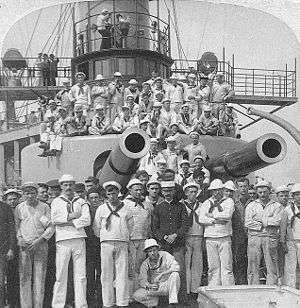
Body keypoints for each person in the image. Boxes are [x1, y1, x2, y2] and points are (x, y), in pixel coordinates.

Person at [51, 174, 91, 308]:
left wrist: (67, 221)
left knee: (81, 275)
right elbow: (55, 220)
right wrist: (72, 216)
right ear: (61, 186)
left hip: (79, 238)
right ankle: (58, 305)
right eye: (65, 185)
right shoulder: (56, 201)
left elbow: (87, 220)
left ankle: (81, 304)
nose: (68, 187)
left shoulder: (81, 201)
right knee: (61, 274)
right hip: (62, 240)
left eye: (70, 184)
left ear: (74, 185)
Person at [93, 181, 134, 308]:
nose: (112, 196)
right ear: (106, 195)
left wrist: (124, 236)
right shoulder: (101, 208)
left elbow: (131, 226)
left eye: (114, 193)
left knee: (122, 272)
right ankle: (108, 302)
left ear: (118, 193)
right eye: (109, 193)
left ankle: (122, 301)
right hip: (106, 243)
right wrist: (105, 237)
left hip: (122, 242)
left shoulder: (126, 208)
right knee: (106, 273)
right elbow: (96, 227)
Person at [15, 182, 54, 308]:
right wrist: (19, 238)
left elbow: (50, 227)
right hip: (25, 247)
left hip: (40, 245)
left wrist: (40, 240)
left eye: (32, 192)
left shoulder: (44, 207)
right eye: (27, 193)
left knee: (39, 278)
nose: (30, 195)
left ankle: (38, 305)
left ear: (36, 193)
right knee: (24, 278)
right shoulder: (19, 208)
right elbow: (16, 226)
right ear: (23, 194)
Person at [152, 181, 189, 298]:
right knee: (163, 270)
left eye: (170, 191)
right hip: (164, 245)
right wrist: (164, 237)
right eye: (165, 191)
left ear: (174, 191)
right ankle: (163, 297)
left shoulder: (181, 206)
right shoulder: (158, 208)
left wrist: (175, 235)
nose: (167, 193)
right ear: (162, 192)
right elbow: (154, 227)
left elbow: (185, 224)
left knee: (180, 270)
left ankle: (181, 297)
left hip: (178, 244)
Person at [245, 180, 283, 285]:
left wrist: (260, 220)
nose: (262, 194)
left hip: (270, 237)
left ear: (269, 192)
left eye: (265, 192)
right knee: (253, 265)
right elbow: (248, 222)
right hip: (254, 237)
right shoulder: (251, 205)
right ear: (257, 192)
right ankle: (253, 288)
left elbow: (277, 221)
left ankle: (272, 289)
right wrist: (265, 223)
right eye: (260, 192)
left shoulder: (277, 206)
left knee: (271, 265)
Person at [199, 179, 235, 286]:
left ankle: (228, 289)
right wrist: (214, 221)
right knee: (213, 266)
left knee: (227, 266)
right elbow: (201, 219)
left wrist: (212, 215)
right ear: (211, 191)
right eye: (214, 190)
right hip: (210, 237)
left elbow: (227, 216)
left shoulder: (229, 201)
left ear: (222, 190)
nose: (217, 192)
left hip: (224, 237)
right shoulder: (206, 203)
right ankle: (214, 288)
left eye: (219, 190)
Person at [124, 179, 153, 299]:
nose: (139, 191)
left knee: (140, 266)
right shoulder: (124, 204)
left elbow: (149, 223)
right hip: (130, 239)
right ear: (130, 190)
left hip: (142, 239)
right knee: (129, 267)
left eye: (141, 189)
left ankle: (138, 294)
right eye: (136, 189)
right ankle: (128, 295)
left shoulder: (147, 204)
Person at [133, 239, 180, 308]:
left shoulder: (165, 255)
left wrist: (163, 274)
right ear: (147, 252)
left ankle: (173, 303)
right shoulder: (145, 264)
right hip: (155, 287)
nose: (152, 253)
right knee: (137, 295)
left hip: (167, 284)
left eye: (154, 250)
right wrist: (149, 285)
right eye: (150, 251)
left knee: (175, 275)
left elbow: (176, 267)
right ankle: (156, 302)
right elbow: (142, 280)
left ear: (158, 249)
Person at [182, 182, 204, 299]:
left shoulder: (201, 205)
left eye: (195, 192)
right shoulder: (182, 205)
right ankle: (187, 289)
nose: (193, 194)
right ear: (186, 193)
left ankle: (195, 289)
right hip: (186, 236)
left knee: (197, 263)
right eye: (191, 192)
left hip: (198, 235)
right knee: (186, 263)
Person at [85, 187, 103, 307]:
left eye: (96, 197)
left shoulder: (104, 209)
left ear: (100, 198)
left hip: (102, 244)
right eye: (91, 198)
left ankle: (101, 297)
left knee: (102, 273)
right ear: (88, 199)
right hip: (90, 246)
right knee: (90, 273)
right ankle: (90, 298)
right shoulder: (86, 211)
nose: (94, 200)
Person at [281, 183, 300, 288]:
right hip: (291, 242)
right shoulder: (288, 210)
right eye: (297, 194)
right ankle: (290, 289)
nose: (299, 196)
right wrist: (283, 242)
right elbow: (283, 227)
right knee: (290, 267)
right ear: (293, 196)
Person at [232, 177, 250, 285]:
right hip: (237, 235)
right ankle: (239, 281)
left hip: (251, 234)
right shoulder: (233, 202)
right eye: (241, 186)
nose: (243, 189)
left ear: (248, 187)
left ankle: (249, 281)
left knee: (250, 259)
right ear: (237, 188)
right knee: (238, 258)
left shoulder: (253, 201)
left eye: (245, 186)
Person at [0, 192, 16, 308]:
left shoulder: (5, 207)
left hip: (2, 249)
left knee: (1, 281)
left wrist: (11, 248)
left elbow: (12, 229)